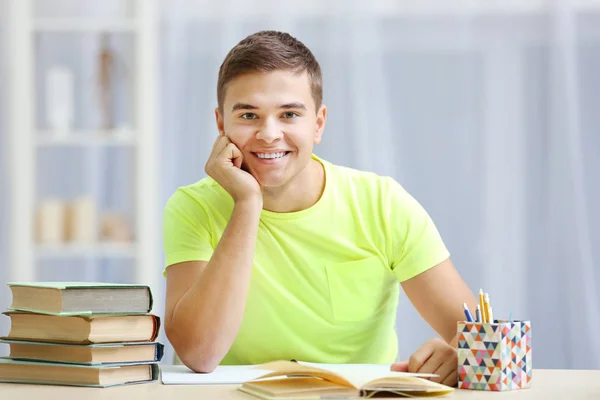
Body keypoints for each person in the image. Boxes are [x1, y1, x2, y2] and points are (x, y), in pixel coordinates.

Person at [162, 30, 478, 387]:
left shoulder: (382, 203)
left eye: (289, 114)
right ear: (221, 124)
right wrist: (248, 202)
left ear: (318, 123)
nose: (268, 134)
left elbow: (478, 339)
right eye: (249, 115)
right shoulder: (193, 207)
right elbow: (200, 354)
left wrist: (458, 354)